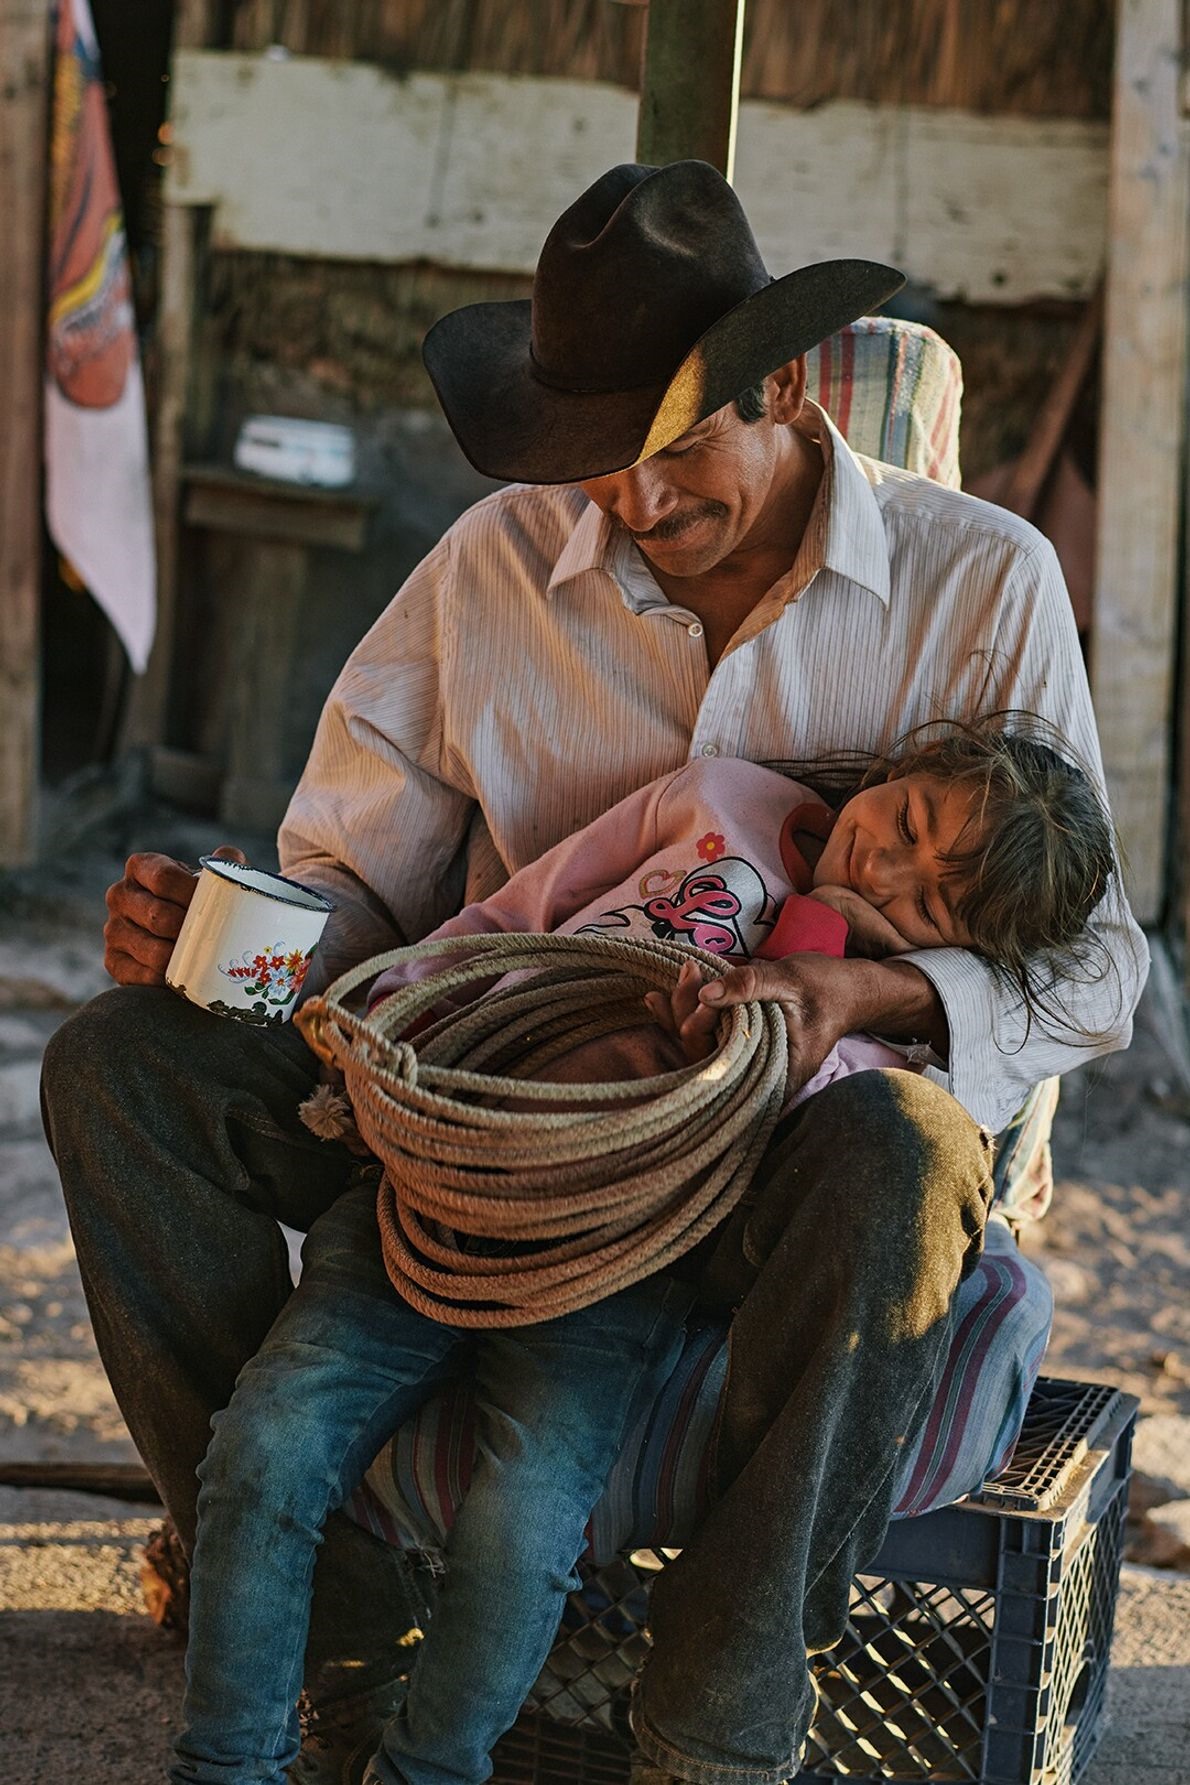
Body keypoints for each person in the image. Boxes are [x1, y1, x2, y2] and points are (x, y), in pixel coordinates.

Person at [41, 160, 1147, 1785]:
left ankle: (714, 1724)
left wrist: (871, 994)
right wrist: (220, 945)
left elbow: (1100, 965)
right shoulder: (492, 572)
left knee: (907, 1162)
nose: (630, 500)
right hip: (483, 1118)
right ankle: (333, 1620)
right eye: (595, 458)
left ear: (782, 386)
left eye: (674, 446)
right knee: (118, 1064)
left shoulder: (981, 586)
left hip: (772, 1178)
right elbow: (353, 898)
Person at [167, 717, 1117, 1785]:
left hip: (611, 1267)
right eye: (900, 822)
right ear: (891, 775)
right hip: (434, 1180)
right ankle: (226, 1763)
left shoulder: (887, 1037)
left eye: (927, 905)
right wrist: (394, 1010)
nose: (882, 868)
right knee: (264, 1449)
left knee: (523, 1524)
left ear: (958, 955)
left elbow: (766, 1120)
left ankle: (429, 1771)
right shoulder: (718, 802)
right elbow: (524, 910)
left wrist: (816, 942)